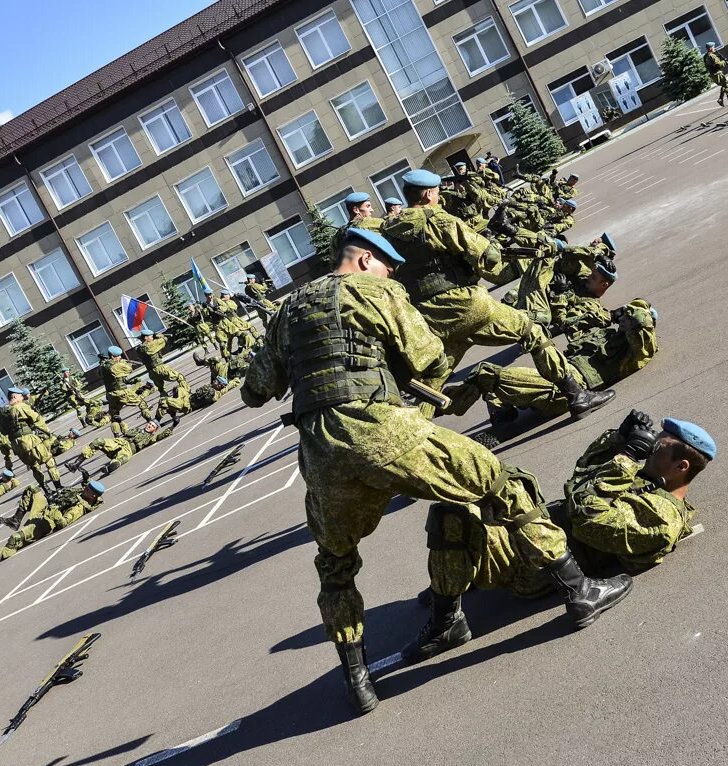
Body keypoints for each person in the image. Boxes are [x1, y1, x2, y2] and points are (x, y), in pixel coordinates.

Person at [241, 227, 632, 714]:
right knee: (497, 480)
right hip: (380, 427)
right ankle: (578, 589)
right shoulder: (376, 290)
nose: (390, 274)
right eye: (387, 265)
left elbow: (254, 389)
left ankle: (360, 679)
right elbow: (426, 356)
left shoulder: (287, 311)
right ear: (364, 260)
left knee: (336, 565)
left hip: (321, 453)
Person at [380, 169, 614, 419]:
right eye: (436, 193)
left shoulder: (388, 231)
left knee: (433, 376)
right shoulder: (439, 220)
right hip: (466, 304)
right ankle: (576, 395)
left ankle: (417, 429)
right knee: (532, 331)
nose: (438, 197)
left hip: (429, 317)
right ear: (427, 194)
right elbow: (487, 256)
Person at [455, 298, 658, 424]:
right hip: (556, 376)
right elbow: (568, 324)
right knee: (490, 382)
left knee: (486, 373)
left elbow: (644, 336)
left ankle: (441, 408)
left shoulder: (634, 349)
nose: (624, 318)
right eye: (626, 314)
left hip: (568, 387)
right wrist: (608, 316)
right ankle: (504, 419)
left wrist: (636, 313)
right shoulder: (606, 334)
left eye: (629, 317)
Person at [563, 413, 714, 572]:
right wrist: (620, 439)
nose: (649, 450)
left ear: (681, 467)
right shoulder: (647, 480)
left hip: (545, 559)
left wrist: (628, 457)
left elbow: (584, 516)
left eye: (658, 447)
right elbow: (580, 481)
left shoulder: (661, 517)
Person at [0, 482, 106, 569]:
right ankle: (16, 519)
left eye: (88, 489)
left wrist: (55, 513)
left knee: (16, 539)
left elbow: (63, 523)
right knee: (32, 489)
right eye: (87, 486)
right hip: (44, 510)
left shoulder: (79, 507)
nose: (85, 489)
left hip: (46, 523)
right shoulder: (78, 492)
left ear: (93, 495)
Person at [0, 386, 66, 491]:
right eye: (20, 396)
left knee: (34, 467)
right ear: (15, 397)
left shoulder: (2, 412)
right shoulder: (20, 406)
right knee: (49, 460)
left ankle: (46, 491)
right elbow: (37, 419)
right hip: (29, 440)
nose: (22, 398)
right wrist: (48, 433)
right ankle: (59, 487)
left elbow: (2, 431)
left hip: (16, 445)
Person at [100, 349, 153, 437]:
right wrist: (125, 363)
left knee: (114, 415)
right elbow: (129, 370)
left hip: (111, 394)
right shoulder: (116, 365)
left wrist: (103, 362)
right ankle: (151, 422)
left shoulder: (103, 366)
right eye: (118, 356)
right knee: (141, 403)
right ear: (113, 357)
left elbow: (105, 373)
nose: (120, 357)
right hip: (121, 392)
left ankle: (117, 436)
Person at [135, 328, 190, 397]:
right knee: (180, 377)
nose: (152, 338)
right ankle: (187, 392)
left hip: (151, 372)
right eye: (151, 337)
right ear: (146, 337)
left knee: (161, 388)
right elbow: (164, 339)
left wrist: (143, 338)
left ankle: (165, 402)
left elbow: (143, 345)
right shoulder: (152, 344)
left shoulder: (138, 349)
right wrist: (157, 335)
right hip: (160, 368)